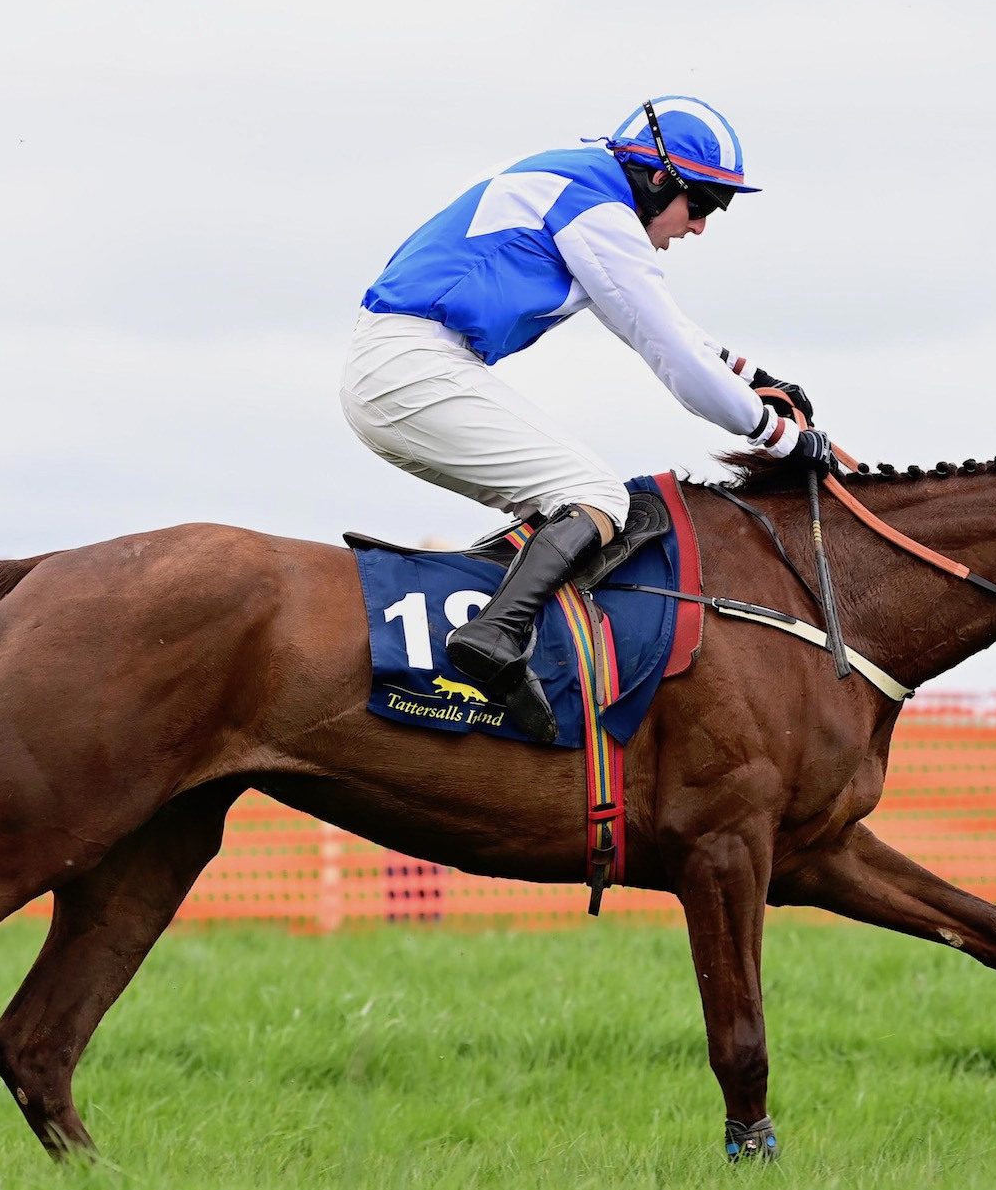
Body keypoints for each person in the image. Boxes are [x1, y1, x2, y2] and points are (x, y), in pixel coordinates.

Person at [340, 95, 833, 742]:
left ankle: (502, 636)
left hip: (405, 365)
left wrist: (750, 375)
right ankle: (494, 635)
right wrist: (779, 437)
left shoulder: (585, 191)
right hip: (412, 367)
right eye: (704, 203)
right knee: (597, 496)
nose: (700, 227)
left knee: (569, 501)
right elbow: (671, 353)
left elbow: (661, 322)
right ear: (657, 179)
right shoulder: (598, 210)